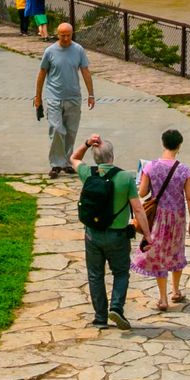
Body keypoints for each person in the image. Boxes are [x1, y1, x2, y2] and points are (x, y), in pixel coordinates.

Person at [133, 127, 190, 313]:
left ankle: (162, 299)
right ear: (179, 146)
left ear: (163, 143)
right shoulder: (184, 170)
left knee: (160, 254)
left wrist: (141, 180)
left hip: (159, 217)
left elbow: (143, 192)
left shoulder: (150, 167)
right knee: (177, 251)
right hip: (177, 217)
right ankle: (176, 291)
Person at [76, 135, 137, 329]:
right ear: (112, 155)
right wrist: (148, 234)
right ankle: (116, 308)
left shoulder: (88, 173)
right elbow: (139, 209)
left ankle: (100, 317)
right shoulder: (126, 177)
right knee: (121, 273)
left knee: (95, 275)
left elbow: (73, 158)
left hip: (92, 234)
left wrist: (87, 144)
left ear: (95, 158)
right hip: (117, 234)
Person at [33, 19, 95, 175]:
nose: (66, 39)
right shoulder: (50, 51)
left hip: (73, 96)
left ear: (72, 34)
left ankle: (68, 162)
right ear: (57, 35)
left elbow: (85, 71)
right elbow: (41, 74)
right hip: (54, 96)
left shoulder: (78, 50)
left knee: (71, 130)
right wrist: (38, 97)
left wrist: (91, 94)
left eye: (68, 35)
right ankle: (56, 163)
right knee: (56, 129)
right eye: (62, 35)